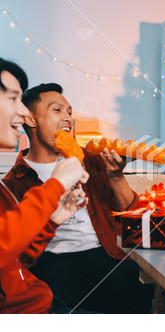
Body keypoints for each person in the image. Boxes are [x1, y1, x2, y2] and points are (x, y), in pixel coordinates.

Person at [2, 83, 154, 313]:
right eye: (57, 110)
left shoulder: (93, 162)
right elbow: (17, 249)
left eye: (69, 112)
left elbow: (129, 212)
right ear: (31, 120)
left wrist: (115, 175)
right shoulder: (12, 183)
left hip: (106, 254)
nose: (67, 118)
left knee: (139, 291)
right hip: (53, 262)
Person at [0, 58, 89, 313]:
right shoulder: (12, 183)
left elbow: (14, 261)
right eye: (13, 99)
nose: (23, 111)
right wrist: (54, 186)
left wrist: (52, 221)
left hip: (43, 304)